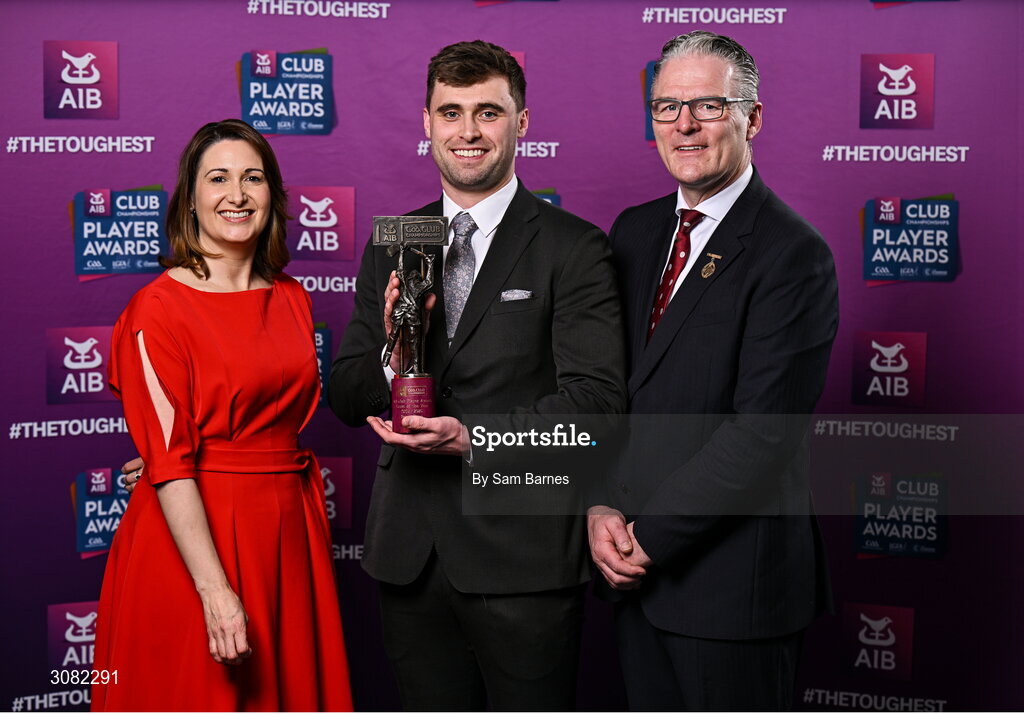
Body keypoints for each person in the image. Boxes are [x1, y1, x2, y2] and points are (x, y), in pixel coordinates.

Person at [328, 41, 625, 711]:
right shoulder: (396, 239)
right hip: (410, 559)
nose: (467, 131)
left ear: (521, 124)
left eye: (488, 112)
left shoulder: (573, 247)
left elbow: (597, 405)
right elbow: (346, 389)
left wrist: (474, 441)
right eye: (450, 112)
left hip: (524, 561)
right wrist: (397, 353)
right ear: (426, 122)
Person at [587, 31, 838, 711]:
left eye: (707, 106)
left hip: (733, 594)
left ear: (752, 118)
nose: (684, 126)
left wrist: (648, 539)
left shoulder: (793, 254)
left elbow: (761, 434)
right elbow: (612, 393)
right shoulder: (635, 233)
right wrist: (602, 503)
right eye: (666, 108)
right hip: (634, 582)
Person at [92, 119, 352, 712]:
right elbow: (171, 460)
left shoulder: (292, 296)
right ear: (190, 200)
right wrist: (215, 591)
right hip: (194, 544)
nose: (237, 194)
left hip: (288, 530)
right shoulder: (155, 310)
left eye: (253, 178)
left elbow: (259, 410)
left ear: (273, 197)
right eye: (218, 178)